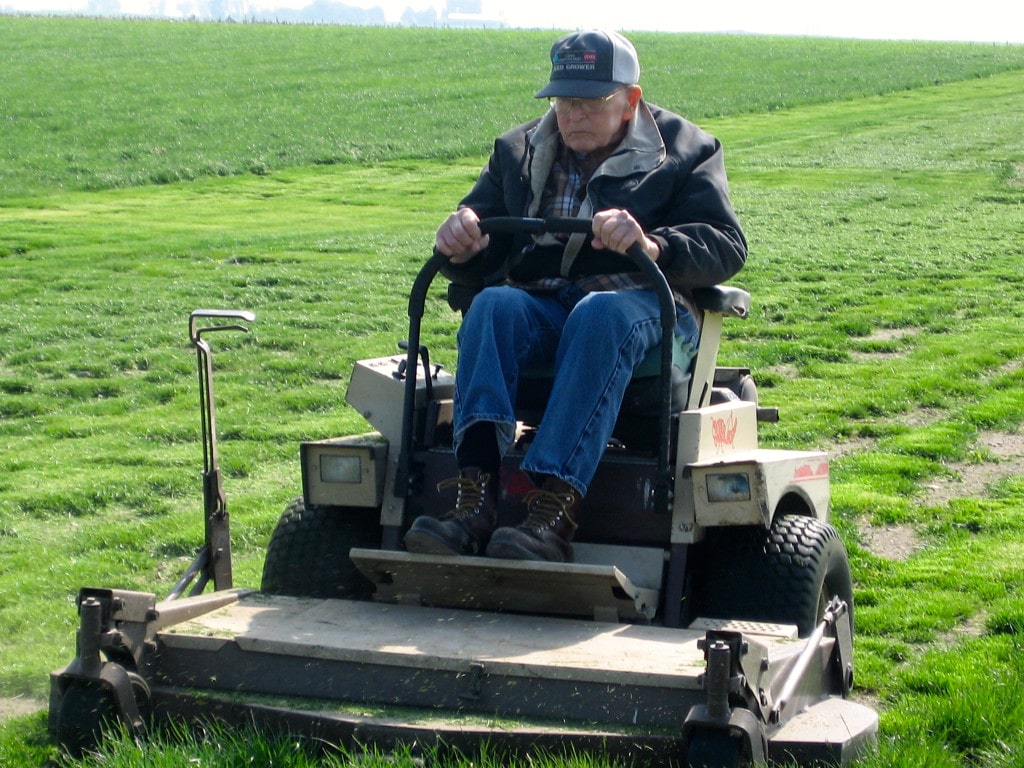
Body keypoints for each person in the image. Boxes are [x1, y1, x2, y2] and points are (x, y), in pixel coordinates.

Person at [403, 29, 747, 563]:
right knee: (492, 305)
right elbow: (480, 238)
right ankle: (475, 495)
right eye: (564, 102)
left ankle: (553, 509)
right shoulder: (517, 150)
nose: (573, 116)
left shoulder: (687, 150)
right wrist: (463, 240)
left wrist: (654, 245)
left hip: (644, 310)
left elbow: (726, 245)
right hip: (544, 304)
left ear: (631, 99)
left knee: (599, 314)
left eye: (590, 103)